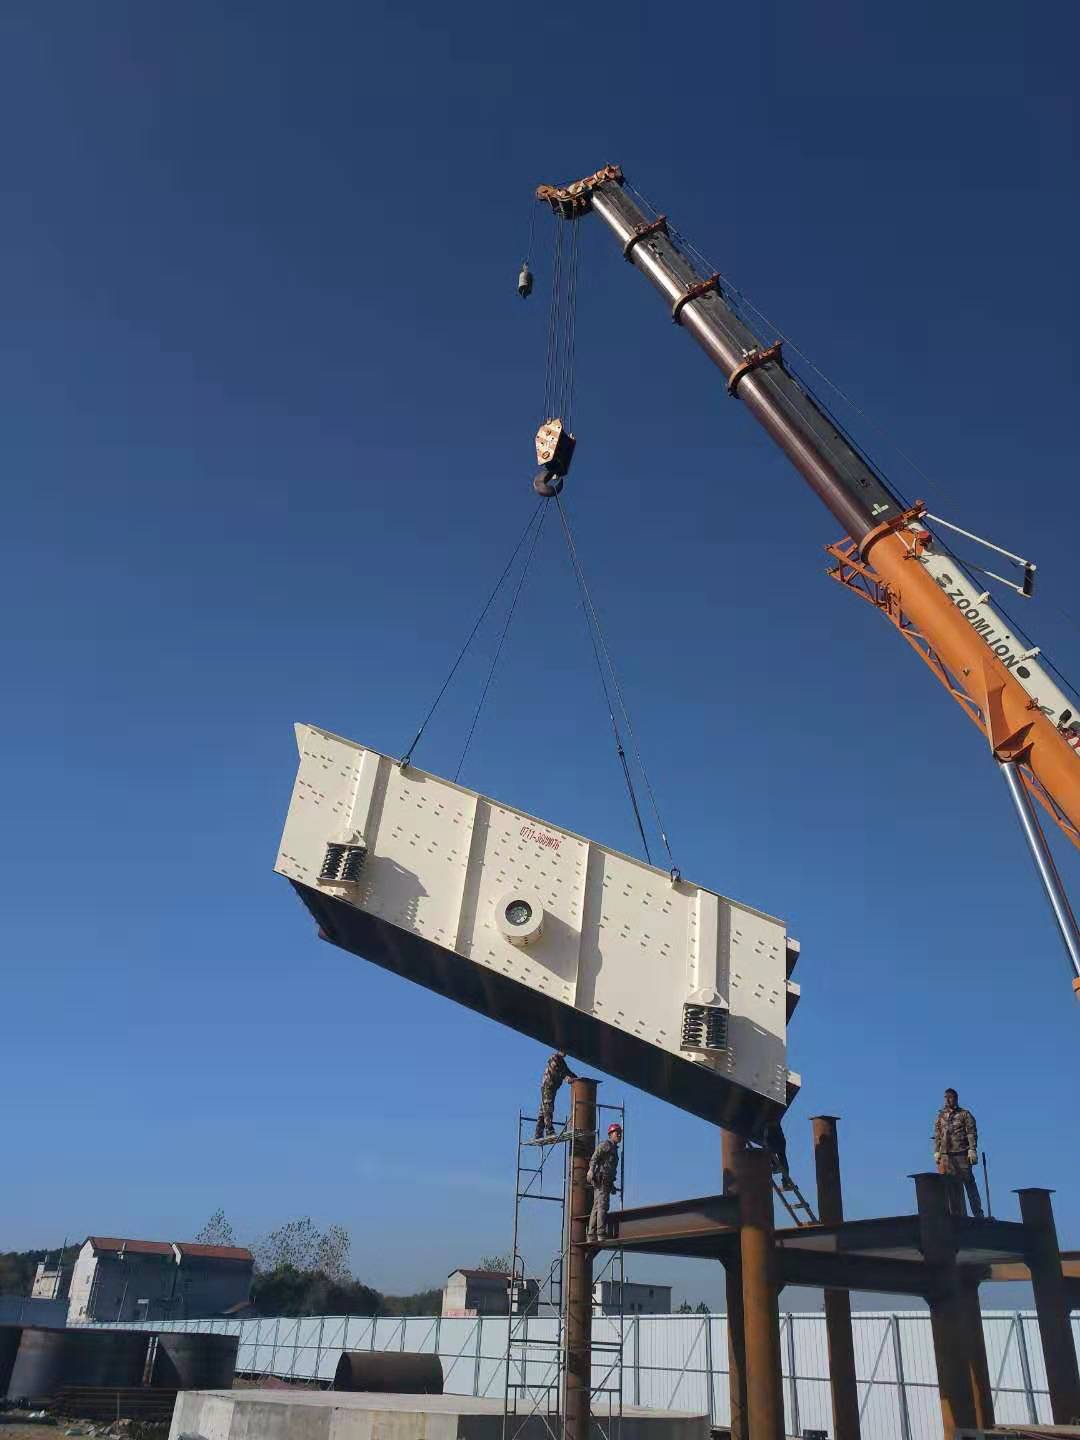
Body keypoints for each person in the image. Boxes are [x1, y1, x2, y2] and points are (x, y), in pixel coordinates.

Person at [933, 1088, 984, 1218]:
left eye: (950, 1097)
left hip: (961, 1153)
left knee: (969, 1183)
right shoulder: (940, 1115)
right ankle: (956, 1215)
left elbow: (971, 1132)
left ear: (955, 1098)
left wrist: (972, 1149)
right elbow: (937, 1134)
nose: (947, 1100)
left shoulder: (964, 1114)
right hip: (946, 1155)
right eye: (945, 1097)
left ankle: (978, 1213)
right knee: (950, 1187)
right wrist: (936, 1151)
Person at [586, 1122, 623, 1244]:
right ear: (611, 1134)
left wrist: (612, 1185)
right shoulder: (606, 1145)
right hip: (601, 1181)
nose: (619, 1135)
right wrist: (591, 1170)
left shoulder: (614, 1149)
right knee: (602, 1206)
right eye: (617, 1133)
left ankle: (591, 1234)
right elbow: (595, 1157)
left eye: (620, 1133)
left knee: (597, 1207)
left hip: (605, 1182)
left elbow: (610, 1170)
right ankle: (600, 1233)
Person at [535, 1050, 577, 1139]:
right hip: (548, 1086)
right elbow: (556, 1071)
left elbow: (567, 1071)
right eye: (563, 1050)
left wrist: (576, 1078)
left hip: (553, 1087)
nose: (565, 1053)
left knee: (544, 1109)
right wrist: (566, 1078)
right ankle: (549, 1130)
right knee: (548, 1107)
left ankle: (538, 1132)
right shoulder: (554, 1058)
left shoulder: (562, 1062)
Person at [761, 1120, 794, 1190]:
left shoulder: (769, 1124)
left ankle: (784, 1180)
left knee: (780, 1158)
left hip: (776, 1141)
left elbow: (766, 1138)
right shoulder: (772, 1122)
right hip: (777, 1141)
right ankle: (785, 1182)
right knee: (782, 1159)